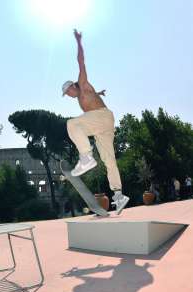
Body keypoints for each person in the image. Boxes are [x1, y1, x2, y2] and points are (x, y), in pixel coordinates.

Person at [62, 29, 129, 215]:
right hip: (103, 124)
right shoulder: (81, 96)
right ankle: (119, 194)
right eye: (66, 95)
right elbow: (92, 98)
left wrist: (78, 42)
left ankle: (86, 157)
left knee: (72, 124)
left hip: (102, 117)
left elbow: (81, 62)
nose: (68, 96)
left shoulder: (82, 83)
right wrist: (99, 94)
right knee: (109, 159)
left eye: (68, 92)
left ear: (72, 87)